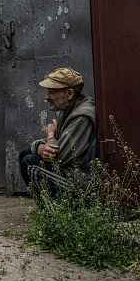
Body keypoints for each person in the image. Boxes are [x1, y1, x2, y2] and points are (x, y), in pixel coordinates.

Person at [18, 67, 97, 200]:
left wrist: (50, 136)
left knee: (29, 162)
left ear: (70, 94)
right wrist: (39, 147)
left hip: (80, 184)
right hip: (69, 171)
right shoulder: (68, 109)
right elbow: (53, 148)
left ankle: (57, 213)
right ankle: (49, 208)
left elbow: (57, 158)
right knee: (25, 153)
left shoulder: (81, 117)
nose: (46, 97)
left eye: (52, 92)